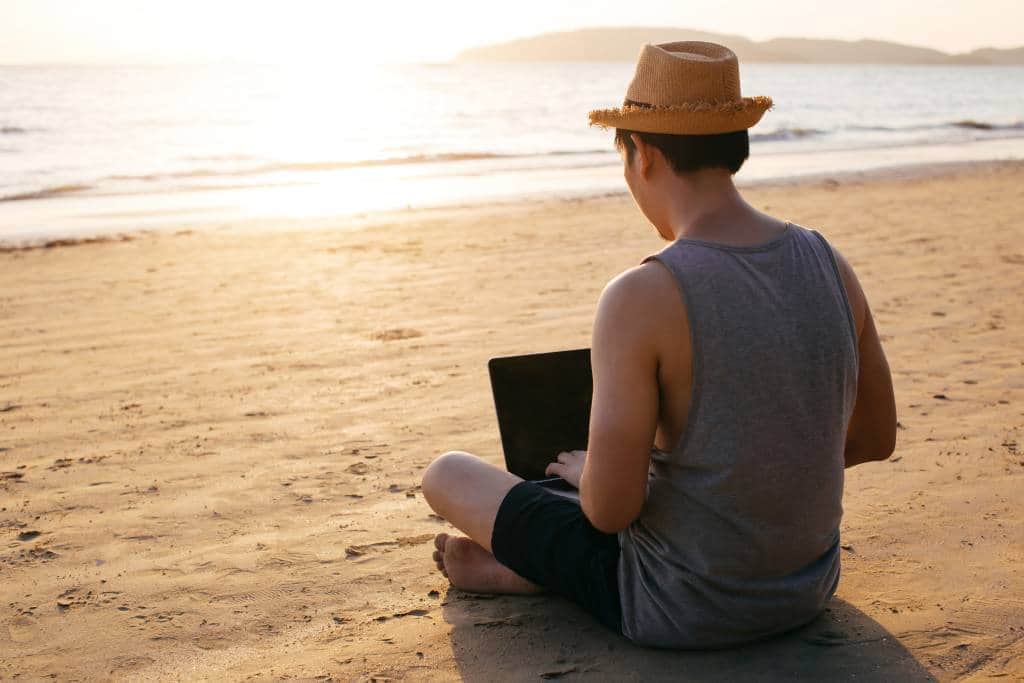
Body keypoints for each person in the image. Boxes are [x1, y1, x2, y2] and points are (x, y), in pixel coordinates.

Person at [420, 41, 897, 649]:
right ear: (737, 146)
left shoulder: (642, 294)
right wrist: (736, 476)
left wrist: (593, 472)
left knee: (448, 474)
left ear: (641, 155)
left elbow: (609, 513)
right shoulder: (831, 263)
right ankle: (531, 568)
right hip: (804, 587)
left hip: (680, 607)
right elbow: (875, 439)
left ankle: (532, 574)